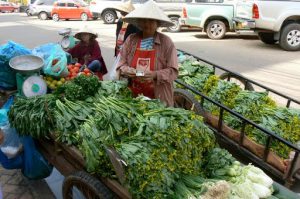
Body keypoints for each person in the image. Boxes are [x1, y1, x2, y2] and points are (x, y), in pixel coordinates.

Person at [117, 0, 178, 107]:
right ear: (139, 23)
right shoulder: (131, 39)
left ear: (157, 23)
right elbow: (121, 64)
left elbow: (173, 71)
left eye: (151, 21)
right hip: (134, 97)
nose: (146, 24)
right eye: (143, 21)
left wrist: (155, 74)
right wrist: (128, 70)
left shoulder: (166, 42)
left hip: (159, 97)